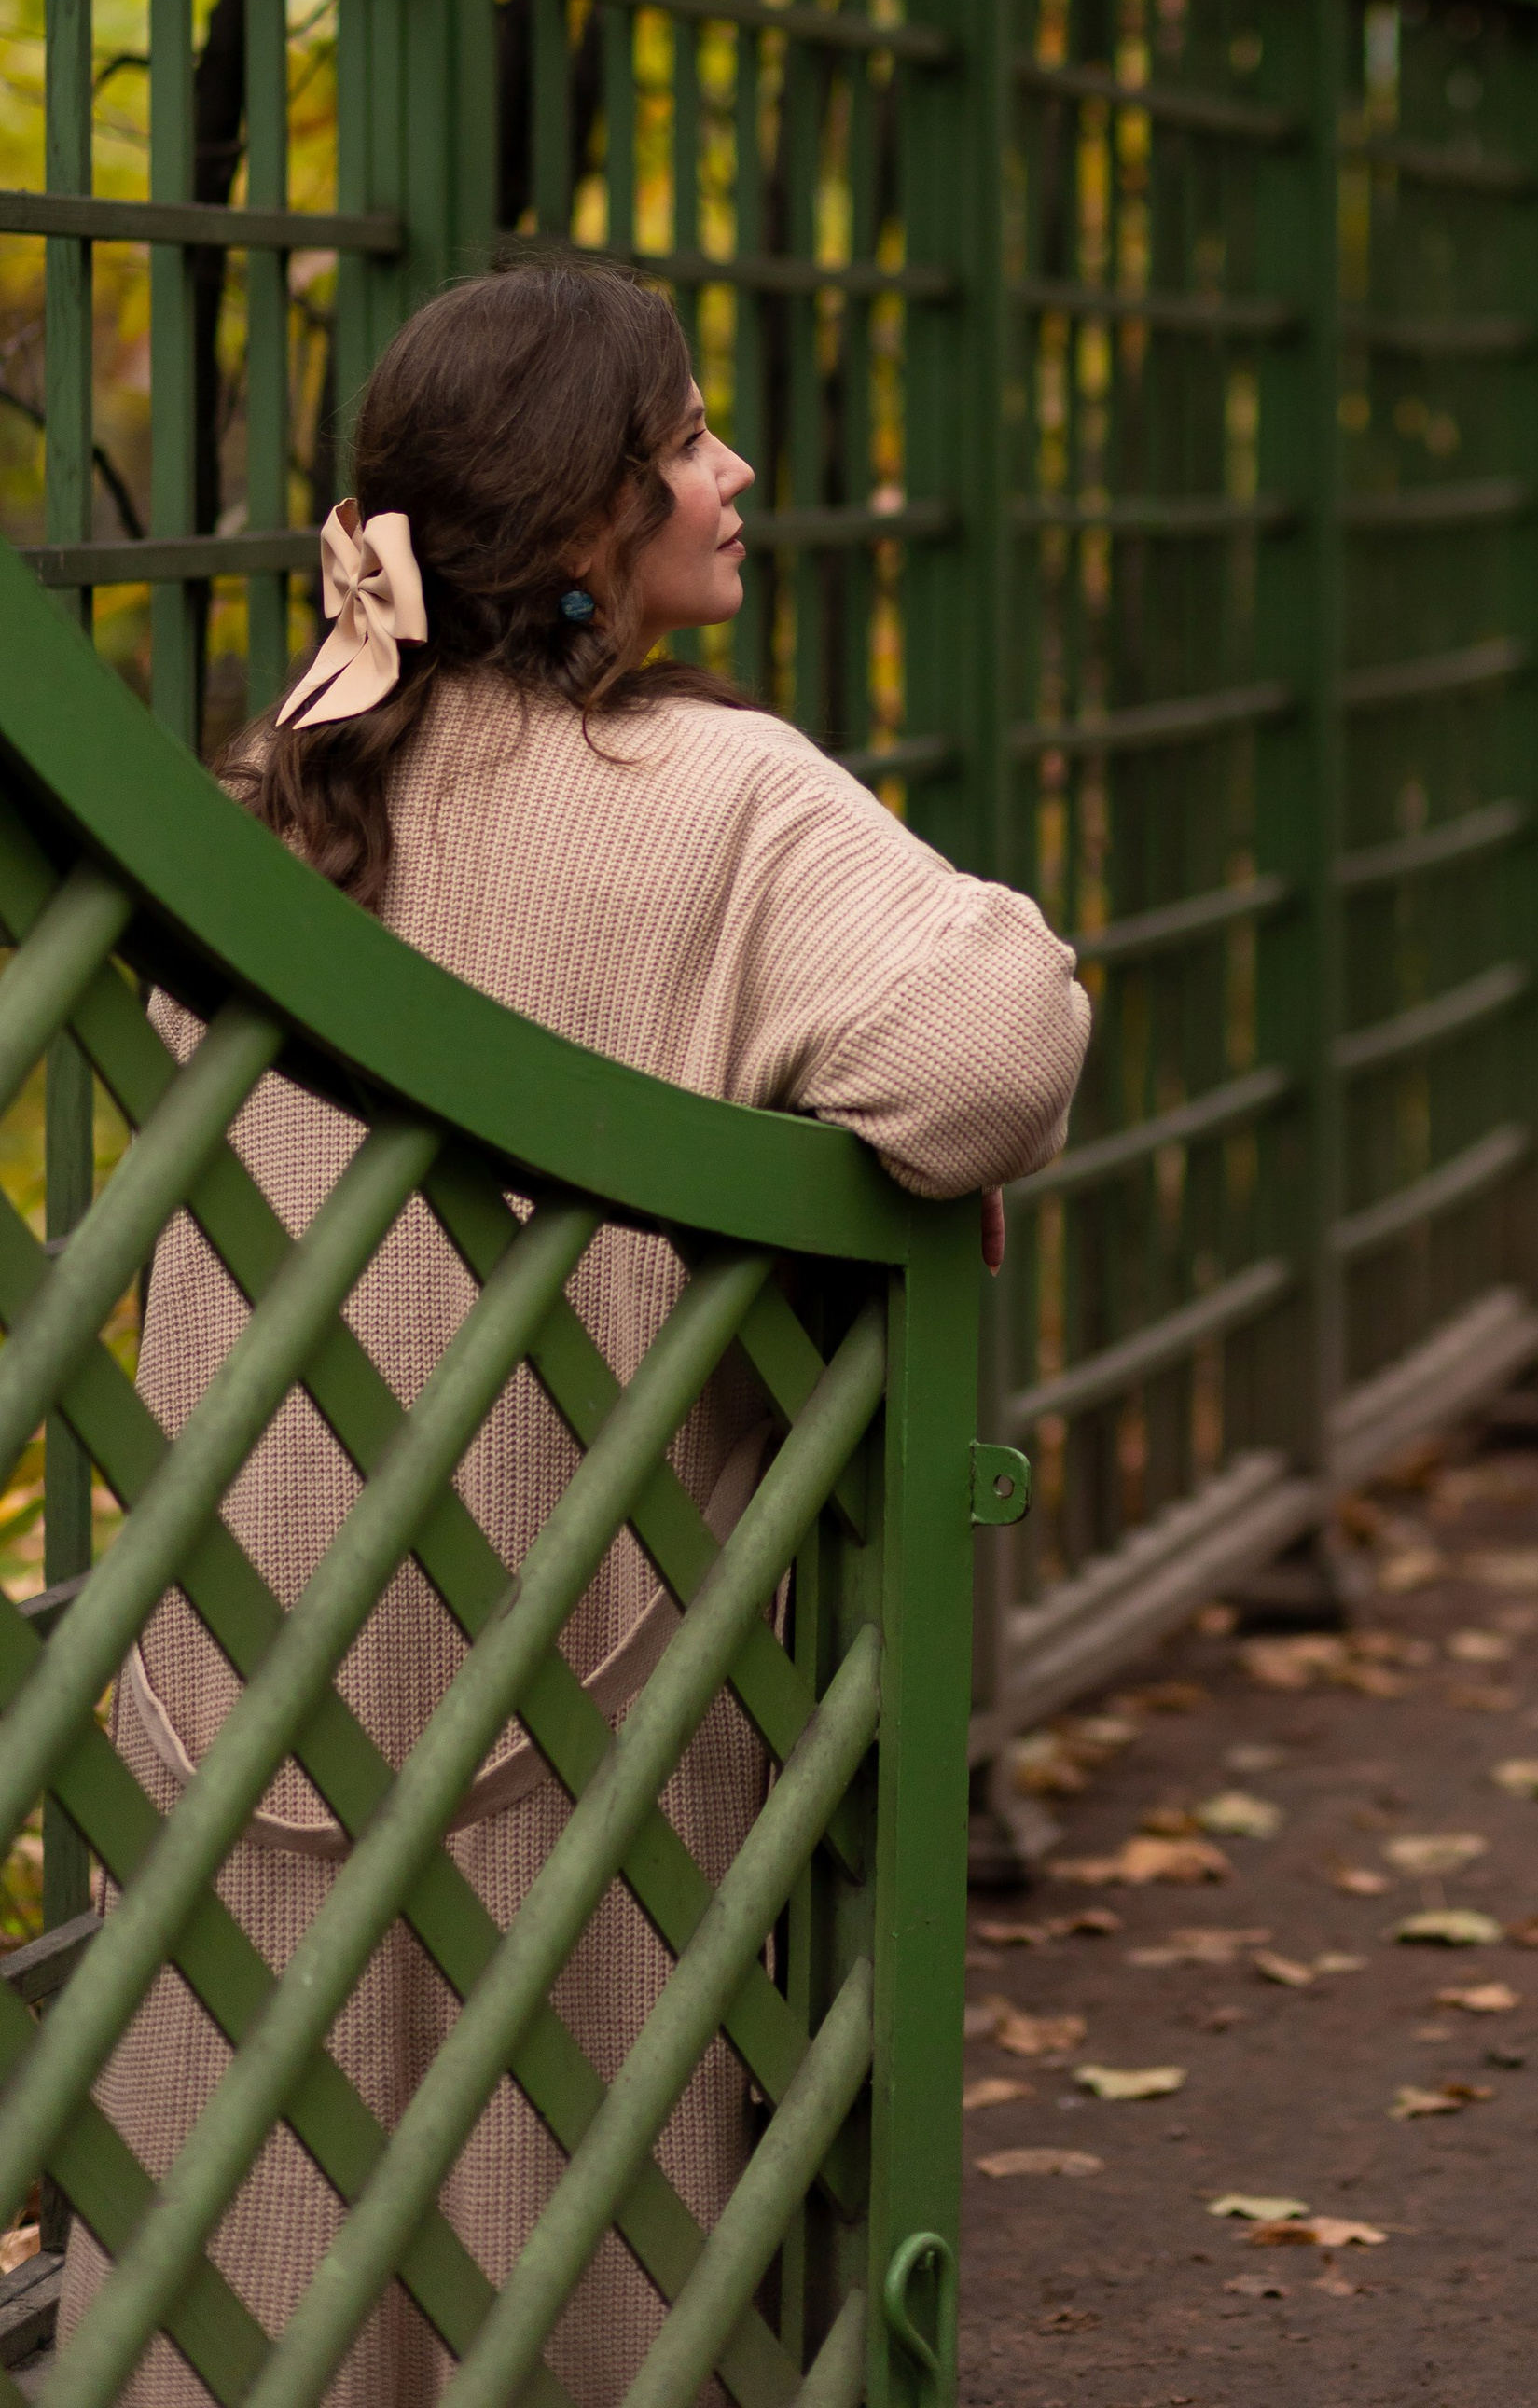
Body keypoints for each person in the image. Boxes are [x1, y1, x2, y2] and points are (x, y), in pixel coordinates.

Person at [69, 252, 1088, 2407]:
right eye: (687, 438)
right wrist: (844, 1165)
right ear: (582, 514)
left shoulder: (269, 805)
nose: (735, 473)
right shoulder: (718, 802)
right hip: (567, 1669)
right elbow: (999, 1046)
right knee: (560, 2258)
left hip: (230, 1670)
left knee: (237, 2263)